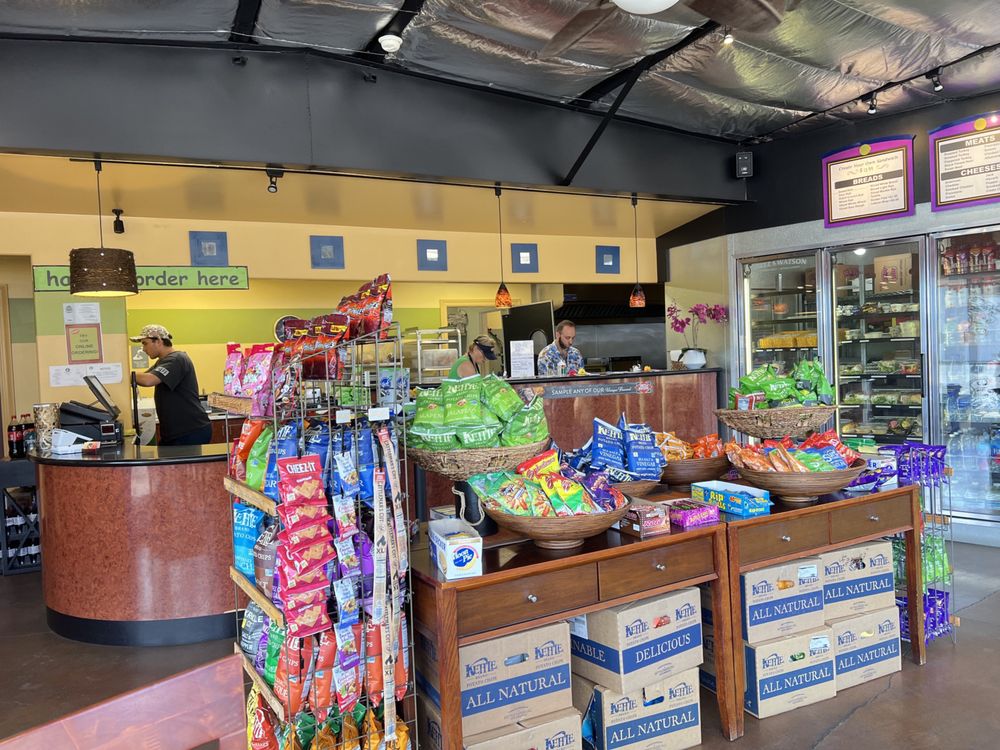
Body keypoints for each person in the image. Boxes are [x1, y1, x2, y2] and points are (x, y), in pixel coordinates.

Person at [130, 324, 212, 446]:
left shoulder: (176, 359)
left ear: (158, 341)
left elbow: (149, 380)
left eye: (145, 343)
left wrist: (121, 375)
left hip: (189, 431)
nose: (143, 349)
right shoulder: (163, 361)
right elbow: (143, 377)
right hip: (176, 433)